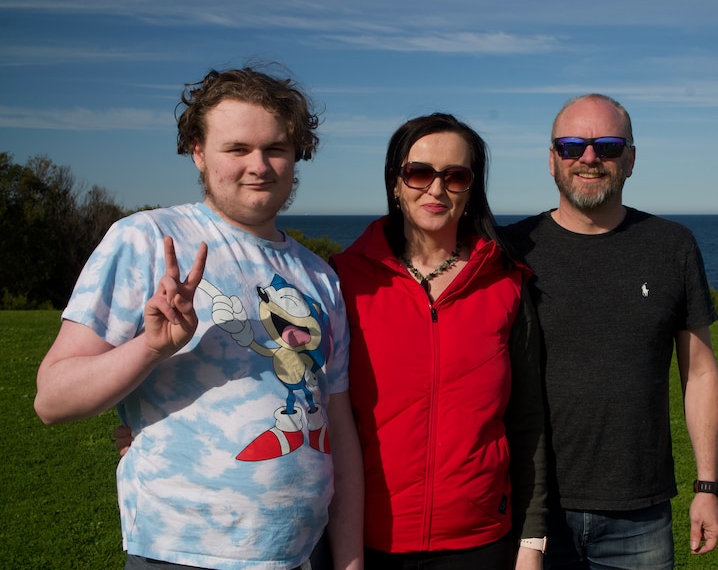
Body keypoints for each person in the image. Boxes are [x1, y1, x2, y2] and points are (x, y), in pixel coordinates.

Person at [34, 66, 364, 570]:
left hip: (305, 553)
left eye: (276, 148)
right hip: (183, 554)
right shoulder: (145, 238)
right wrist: (149, 348)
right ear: (198, 151)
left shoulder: (318, 275)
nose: (260, 166)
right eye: (236, 149)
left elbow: (338, 427)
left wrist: (349, 560)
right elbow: (52, 399)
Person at [503, 94, 718, 569]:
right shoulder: (512, 250)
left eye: (607, 145)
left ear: (630, 159)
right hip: (531, 511)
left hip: (639, 513)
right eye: (571, 146)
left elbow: (700, 374)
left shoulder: (672, 246)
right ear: (551, 159)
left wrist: (707, 487)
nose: (589, 158)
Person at [329, 113, 547, 570]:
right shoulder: (342, 280)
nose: (436, 189)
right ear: (395, 182)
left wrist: (532, 541)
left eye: (456, 176)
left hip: (480, 542)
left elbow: (527, 420)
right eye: (420, 172)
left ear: (471, 189)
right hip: (366, 542)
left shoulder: (507, 283)